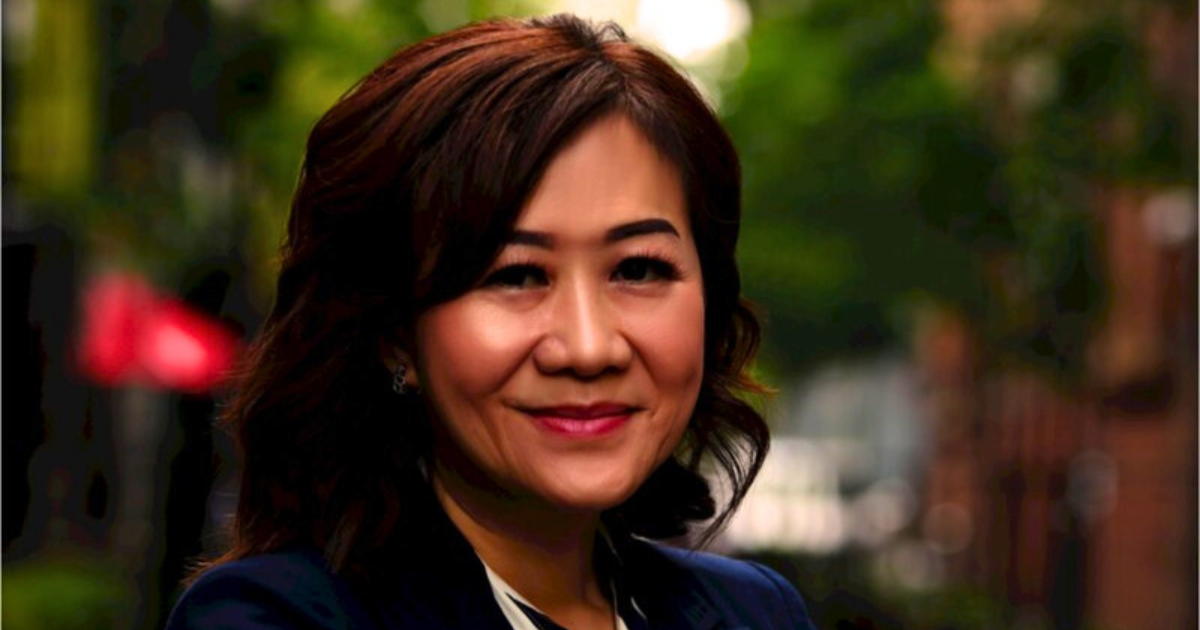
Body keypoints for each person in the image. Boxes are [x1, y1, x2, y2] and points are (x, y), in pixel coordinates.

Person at [166, 13, 817, 630]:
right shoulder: (273, 616)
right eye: (516, 276)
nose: (588, 347)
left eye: (638, 269)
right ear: (395, 334)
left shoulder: (755, 613)